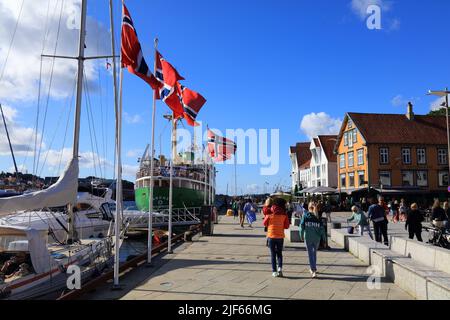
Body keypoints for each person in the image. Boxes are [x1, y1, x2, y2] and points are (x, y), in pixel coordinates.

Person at [263, 197, 290, 277]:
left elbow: (264, 223)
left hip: (271, 236)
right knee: (279, 253)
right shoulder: (284, 215)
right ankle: (280, 269)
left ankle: (274, 271)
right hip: (280, 236)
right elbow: (287, 226)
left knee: (272, 254)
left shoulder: (269, 214)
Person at [299, 202, 326, 278]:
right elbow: (322, 230)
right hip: (316, 238)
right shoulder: (318, 217)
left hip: (308, 237)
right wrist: (324, 240)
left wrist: (301, 235)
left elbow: (301, 226)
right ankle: (313, 268)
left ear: (308, 208)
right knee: (314, 253)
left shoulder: (305, 216)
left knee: (310, 254)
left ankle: (313, 270)